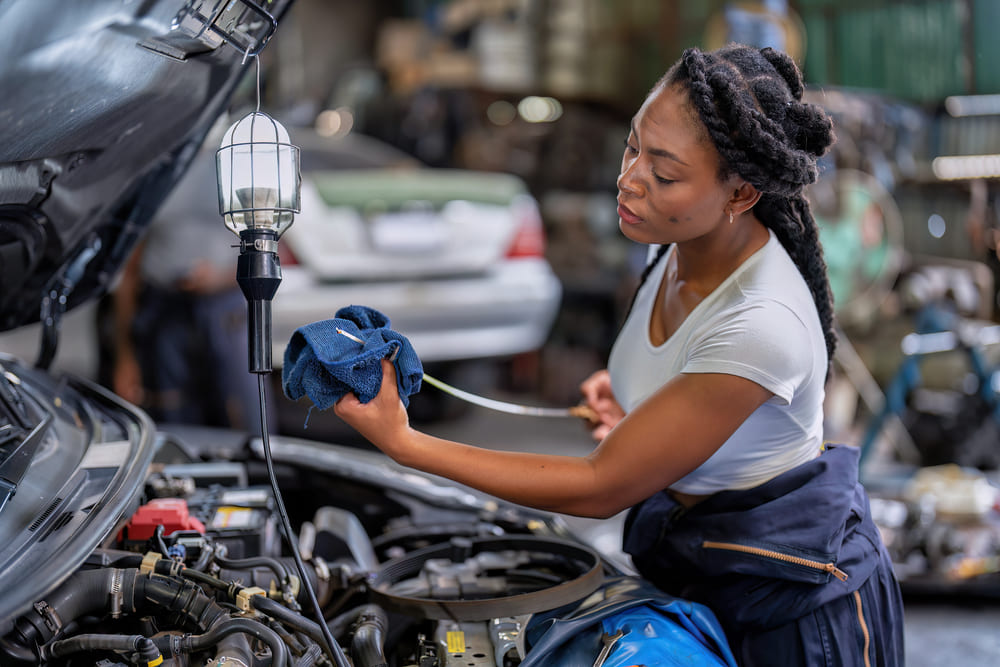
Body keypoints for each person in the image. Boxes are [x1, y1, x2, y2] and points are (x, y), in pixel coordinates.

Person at [333, 43, 904, 666]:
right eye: (633, 146)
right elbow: (685, 373)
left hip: (793, 613)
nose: (629, 181)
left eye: (664, 175)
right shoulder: (675, 246)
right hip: (699, 564)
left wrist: (407, 445)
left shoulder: (763, 322)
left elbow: (601, 486)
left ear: (740, 194)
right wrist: (639, 401)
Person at [110, 143, 272, 436]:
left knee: (245, 417)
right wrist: (126, 358)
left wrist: (221, 277)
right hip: (163, 312)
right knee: (173, 419)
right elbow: (129, 273)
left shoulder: (236, 168)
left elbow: (265, 252)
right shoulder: (155, 173)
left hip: (226, 310)